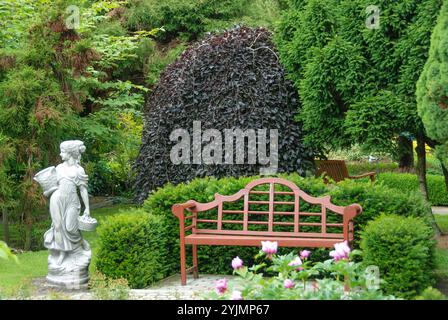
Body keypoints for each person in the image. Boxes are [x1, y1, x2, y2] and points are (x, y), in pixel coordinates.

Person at [44, 140, 90, 266]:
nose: (60, 154)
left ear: (70, 153)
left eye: (63, 152)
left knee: (70, 228)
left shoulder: (79, 170)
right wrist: (47, 190)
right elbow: (52, 186)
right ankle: (62, 253)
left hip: (71, 201)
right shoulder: (58, 168)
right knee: (58, 227)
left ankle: (81, 242)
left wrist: (87, 209)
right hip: (57, 200)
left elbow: (83, 190)